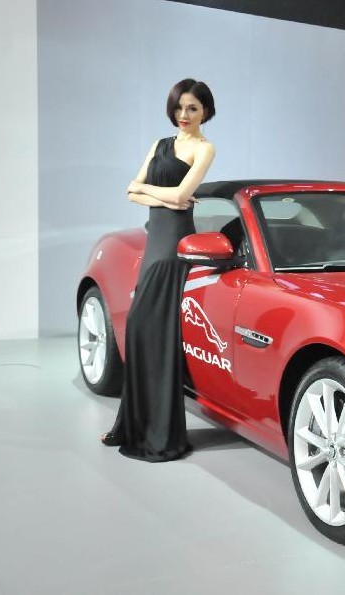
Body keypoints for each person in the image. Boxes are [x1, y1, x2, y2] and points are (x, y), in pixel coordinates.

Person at [100, 79, 217, 462]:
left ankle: (160, 431)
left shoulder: (204, 148)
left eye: (193, 109)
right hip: (156, 240)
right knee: (137, 328)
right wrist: (163, 195)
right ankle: (134, 424)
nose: (184, 115)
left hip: (174, 244)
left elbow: (182, 197)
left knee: (155, 330)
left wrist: (153, 193)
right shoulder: (160, 145)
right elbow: (131, 190)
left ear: (205, 112)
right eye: (180, 108)